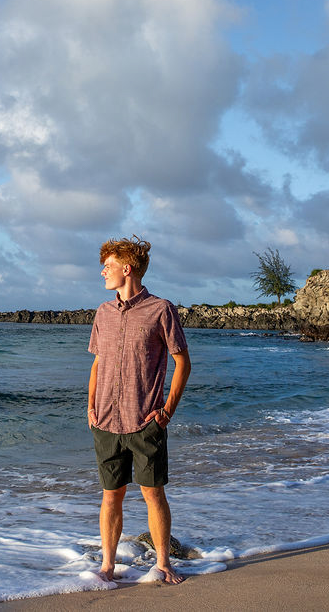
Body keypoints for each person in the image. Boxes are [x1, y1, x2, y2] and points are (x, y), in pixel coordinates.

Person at [87, 235, 192, 585]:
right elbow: (98, 364)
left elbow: (182, 362)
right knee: (110, 495)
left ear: (127, 268)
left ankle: (162, 564)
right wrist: (90, 407)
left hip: (145, 419)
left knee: (152, 492)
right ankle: (107, 566)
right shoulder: (102, 312)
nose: (103, 271)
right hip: (105, 421)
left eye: (109, 266)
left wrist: (166, 411)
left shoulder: (160, 310)